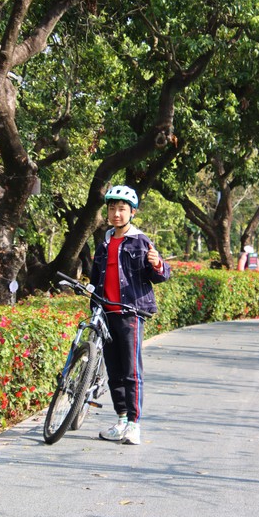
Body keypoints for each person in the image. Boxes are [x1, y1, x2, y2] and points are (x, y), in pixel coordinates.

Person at [90, 185, 171, 445]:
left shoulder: (141, 241)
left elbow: (161, 275)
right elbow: (96, 277)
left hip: (130, 313)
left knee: (131, 371)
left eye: (122, 209)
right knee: (114, 370)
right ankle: (121, 420)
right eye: (112, 208)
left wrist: (157, 264)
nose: (116, 214)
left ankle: (134, 425)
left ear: (132, 212)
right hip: (106, 313)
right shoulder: (104, 243)